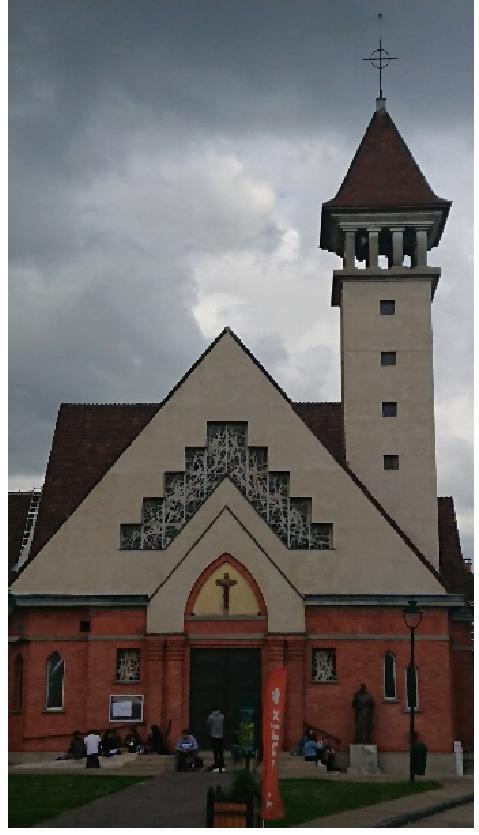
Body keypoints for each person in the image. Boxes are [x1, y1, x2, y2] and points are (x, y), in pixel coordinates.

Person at [207, 708, 226, 773]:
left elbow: (208, 724)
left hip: (213, 736)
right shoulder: (222, 716)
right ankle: (222, 764)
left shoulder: (210, 716)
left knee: (215, 751)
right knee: (220, 752)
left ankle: (217, 764)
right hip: (221, 736)